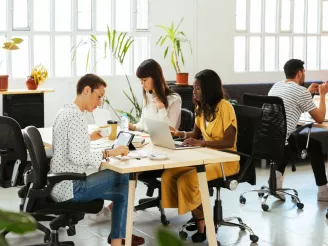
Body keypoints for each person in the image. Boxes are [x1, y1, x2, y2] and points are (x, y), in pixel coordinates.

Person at [49, 74, 144, 246]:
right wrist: (109, 153)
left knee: (123, 192)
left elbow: (73, 147)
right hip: (71, 187)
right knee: (125, 177)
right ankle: (119, 238)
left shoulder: (65, 111)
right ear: (87, 90)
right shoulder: (76, 117)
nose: (99, 102)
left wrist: (89, 139)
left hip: (61, 184)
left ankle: (117, 240)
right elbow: (78, 157)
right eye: (98, 96)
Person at [162, 69, 240, 243]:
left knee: (188, 180)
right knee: (170, 174)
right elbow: (196, 134)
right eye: (194, 88)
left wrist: (202, 143)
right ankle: (198, 216)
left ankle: (204, 227)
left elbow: (229, 141)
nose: (193, 91)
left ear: (208, 89)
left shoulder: (224, 107)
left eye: (197, 88)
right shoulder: (201, 108)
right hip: (206, 156)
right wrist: (179, 133)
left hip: (225, 160)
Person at [268, 59, 328, 202]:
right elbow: (320, 118)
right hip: (284, 140)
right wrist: (323, 95)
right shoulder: (300, 91)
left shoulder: (277, 85)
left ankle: (275, 181)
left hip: (268, 137)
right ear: (300, 73)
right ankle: (323, 191)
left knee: (289, 137)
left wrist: (308, 92)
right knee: (314, 145)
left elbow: (291, 104)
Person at [129, 58, 182, 132]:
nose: (142, 84)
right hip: (148, 139)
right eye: (140, 80)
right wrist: (133, 127)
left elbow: (170, 131)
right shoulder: (148, 95)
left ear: (155, 78)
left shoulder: (174, 99)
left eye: (144, 80)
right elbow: (143, 125)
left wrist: (161, 108)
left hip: (164, 142)